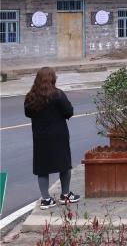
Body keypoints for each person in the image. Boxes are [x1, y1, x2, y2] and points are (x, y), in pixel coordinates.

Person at [24, 67, 80, 209]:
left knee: (42, 167)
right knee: (64, 164)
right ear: (52, 78)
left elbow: (28, 114)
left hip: (40, 136)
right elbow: (69, 111)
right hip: (58, 135)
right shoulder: (58, 94)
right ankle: (65, 195)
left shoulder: (31, 96)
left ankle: (46, 199)